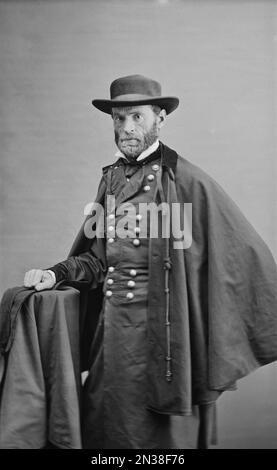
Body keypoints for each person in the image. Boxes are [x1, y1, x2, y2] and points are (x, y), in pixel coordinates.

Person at [2, 74, 277, 449]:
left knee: (161, 445)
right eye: (119, 118)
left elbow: (238, 255)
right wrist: (56, 274)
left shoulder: (185, 181)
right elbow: (98, 259)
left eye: (137, 117)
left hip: (164, 339)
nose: (127, 128)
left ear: (159, 118)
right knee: (105, 435)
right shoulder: (112, 180)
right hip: (111, 338)